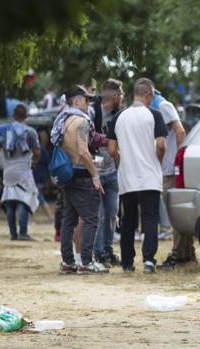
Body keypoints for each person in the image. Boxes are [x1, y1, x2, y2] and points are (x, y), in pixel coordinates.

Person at [107, 78, 168, 274]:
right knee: (150, 217)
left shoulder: (119, 117)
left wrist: (120, 161)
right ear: (148, 94)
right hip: (149, 176)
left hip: (128, 176)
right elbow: (161, 145)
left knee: (128, 219)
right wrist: (157, 160)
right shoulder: (154, 115)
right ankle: (149, 260)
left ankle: (127, 263)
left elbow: (111, 149)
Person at [51, 85, 108, 274]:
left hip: (68, 175)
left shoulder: (64, 120)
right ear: (76, 101)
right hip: (83, 175)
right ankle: (86, 262)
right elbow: (83, 152)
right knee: (92, 218)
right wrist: (95, 175)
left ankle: (68, 262)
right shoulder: (82, 122)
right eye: (86, 99)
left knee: (69, 220)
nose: (88, 103)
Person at [152, 90, 195, 268]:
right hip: (168, 168)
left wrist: (179, 158)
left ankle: (178, 254)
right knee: (178, 213)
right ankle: (187, 253)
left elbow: (179, 131)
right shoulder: (160, 105)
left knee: (174, 214)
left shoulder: (162, 105)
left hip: (169, 170)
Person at [0, 104, 40, 241]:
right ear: (26, 117)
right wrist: (34, 162)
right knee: (25, 200)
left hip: (8, 170)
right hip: (23, 171)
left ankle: (13, 234)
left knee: (10, 201)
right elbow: (37, 152)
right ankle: (23, 233)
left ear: (14, 116)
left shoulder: (5, 130)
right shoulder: (30, 132)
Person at [91, 79, 124, 267]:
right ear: (113, 96)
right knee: (98, 214)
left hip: (112, 170)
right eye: (120, 94)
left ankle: (108, 250)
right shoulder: (93, 112)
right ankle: (97, 252)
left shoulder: (119, 114)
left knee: (112, 213)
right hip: (96, 169)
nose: (122, 98)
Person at [33, 129, 53, 224]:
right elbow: (48, 164)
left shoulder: (35, 149)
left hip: (36, 177)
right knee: (37, 198)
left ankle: (50, 218)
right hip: (41, 177)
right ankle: (50, 218)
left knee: (38, 198)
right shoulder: (43, 149)